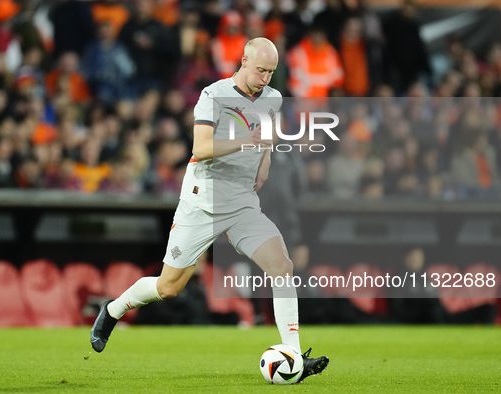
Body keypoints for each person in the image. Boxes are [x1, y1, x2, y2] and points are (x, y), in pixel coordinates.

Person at [90, 37, 329, 383]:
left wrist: (265, 160)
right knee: (169, 286)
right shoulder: (213, 95)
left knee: (282, 266)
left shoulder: (273, 98)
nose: (265, 78)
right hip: (203, 201)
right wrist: (248, 141)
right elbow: (201, 149)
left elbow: (268, 134)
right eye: (260, 70)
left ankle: (293, 353)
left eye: (271, 72)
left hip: (243, 203)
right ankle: (112, 310)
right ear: (243, 60)